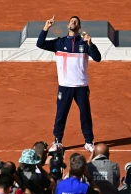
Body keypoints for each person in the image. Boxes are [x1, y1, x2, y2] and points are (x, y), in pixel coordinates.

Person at [36, 15, 102, 153]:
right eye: (71, 21)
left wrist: (90, 43)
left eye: (76, 22)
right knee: (61, 114)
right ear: (68, 26)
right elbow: (40, 44)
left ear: (79, 27)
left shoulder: (84, 43)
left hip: (81, 87)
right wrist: (46, 28)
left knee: (85, 114)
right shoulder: (59, 43)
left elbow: (97, 58)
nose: (73, 23)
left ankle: (89, 142)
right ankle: (58, 141)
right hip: (65, 86)